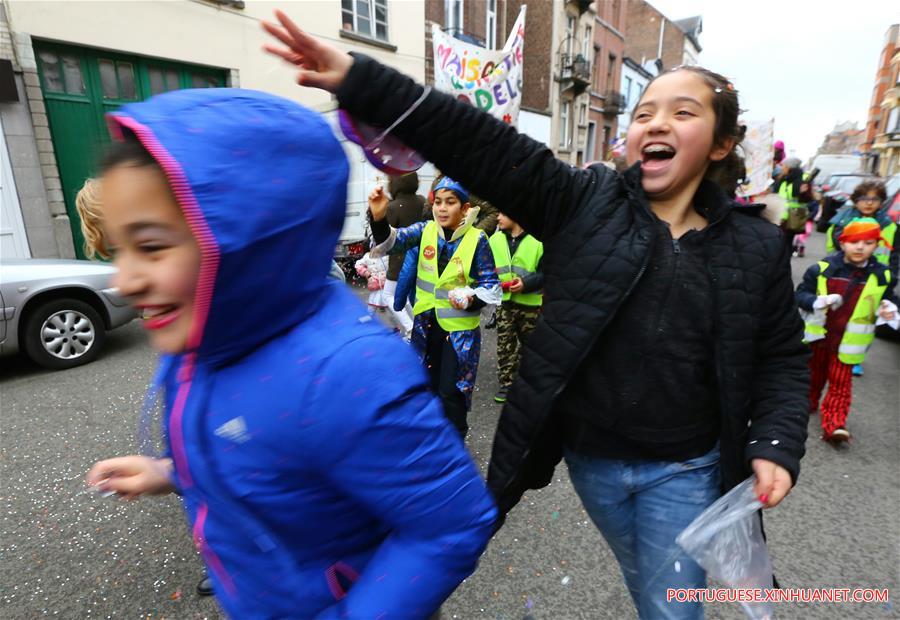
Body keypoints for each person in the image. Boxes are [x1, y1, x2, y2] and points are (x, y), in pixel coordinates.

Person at [262, 12, 809, 619]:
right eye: (645, 112)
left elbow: (783, 355)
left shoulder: (756, 247)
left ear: (722, 143)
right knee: (648, 576)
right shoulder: (582, 202)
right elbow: (476, 141)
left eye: (683, 112)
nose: (656, 122)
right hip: (591, 461)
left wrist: (776, 443)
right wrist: (361, 80)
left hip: (684, 467)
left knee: (670, 603)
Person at [84, 88, 496, 619]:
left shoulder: (348, 371)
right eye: (119, 248)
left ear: (246, 238)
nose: (124, 281)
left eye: (152, 246)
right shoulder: (213, 332)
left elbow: (451, 521)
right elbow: (249, 442)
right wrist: (175, 472)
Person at [366, 176, 501, 437]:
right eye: (438, 202)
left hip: (460, 334)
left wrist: (471, 297)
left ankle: (455, 443)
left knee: (452, 392)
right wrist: (379, 217)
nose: (441, 208)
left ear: (464, 209)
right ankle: (434, 441)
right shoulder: (424, 230)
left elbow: (492, 286)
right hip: (426, 328)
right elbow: (391, 243)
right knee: (426, 387)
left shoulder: (477, 239)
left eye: (450, 202)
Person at [796, 217, 897, 444]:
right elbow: (800, 295)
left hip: (850, 340)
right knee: (813, 377)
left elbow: (890, 299)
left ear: (877, 245)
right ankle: (805, 406)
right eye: (854, 241)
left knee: (841, 384)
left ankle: (834, 425)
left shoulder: (883, 275)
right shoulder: (822, 269)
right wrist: (817, 301)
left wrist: (890, 308)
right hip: (819, 337)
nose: (860, 247)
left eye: (868, 242)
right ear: (842, 243)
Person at [825, 181, 897, 376]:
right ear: (856, 201)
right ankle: (829, 350)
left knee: (864, 321)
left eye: (874, 199)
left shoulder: (888, 225)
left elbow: (895, 253)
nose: (869, 203)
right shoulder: (844, 220)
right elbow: (834, 245)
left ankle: (855, 358)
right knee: (837, 315)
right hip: (843, 274)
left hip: (874, 278)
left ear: (881, 202)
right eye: (864, 198)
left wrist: (892, 276)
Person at [489, 212, 543, 403]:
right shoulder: (494, 240)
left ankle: (533, 380)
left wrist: (526, 284)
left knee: (533, 344)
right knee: (506, 343)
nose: (497, 218)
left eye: (502, 213)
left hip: (531, 304)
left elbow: (548, 270)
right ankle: (507, 383)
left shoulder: (539, 240)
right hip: (504, 302)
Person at [383, 173, 425, 336]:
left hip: (399, 262)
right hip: (422, 257)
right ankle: (418, 327)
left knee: (389, 295)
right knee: (413, 297)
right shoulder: (422, 201)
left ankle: (410, 328)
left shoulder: (392, 207)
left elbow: (387, 239)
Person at [774, 157, 809, 254]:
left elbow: (807, 200)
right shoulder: (782, 180)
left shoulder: (801, 182)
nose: (782, 168)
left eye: (784, 166)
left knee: (786, 246)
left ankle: (784, 266)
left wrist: (803, 193)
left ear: (790, 168)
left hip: (792, 219)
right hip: (779, 217)